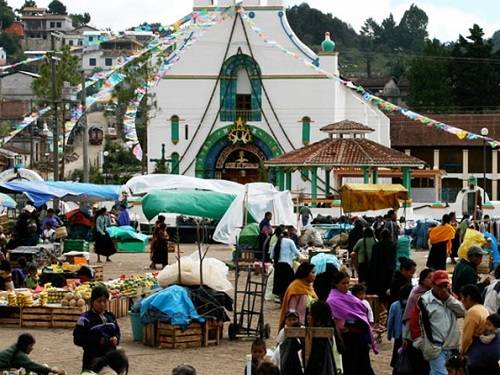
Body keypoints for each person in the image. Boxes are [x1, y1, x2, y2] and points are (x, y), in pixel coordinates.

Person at [413, 270, 465, 375]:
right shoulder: (424, 301)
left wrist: (448, 299)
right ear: (433, 285)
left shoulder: (452, 298)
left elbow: (463, 312)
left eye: (445, 285)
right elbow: (415, 323)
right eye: (440, 286)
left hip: (451, 347)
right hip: (435, 347)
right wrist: (422, 344)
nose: (443, 289)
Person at [327, 271, 376, 375]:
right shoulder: (332, 300)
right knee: (350, 366)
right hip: (346, 339)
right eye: (343, 283)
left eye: (347, 283)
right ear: (336, 284)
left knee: (364, 366)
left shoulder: (350, 296)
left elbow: (361, 311)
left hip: (359, 337)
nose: (346, 286)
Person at [73, 285, 121, 371]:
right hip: (92, 361)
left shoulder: (111, 317)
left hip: (110, 360)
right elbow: (77, 339)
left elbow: (117, 332)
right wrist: (98, 340)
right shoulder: (85, 319)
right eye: (99, 301)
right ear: (92, 302)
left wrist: (116, 338)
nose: (102, 304)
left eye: (104, 301)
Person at [402, 268, 434, 375]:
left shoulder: (431, 293)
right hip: (415, 336)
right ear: (423, 280)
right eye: (429, 278)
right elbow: (409, 316)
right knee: (419, 366)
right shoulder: (417, 294)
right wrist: (406, 337)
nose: (432, 280)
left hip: (427, 337)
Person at [304, 300, 341, 375]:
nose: (308, 317)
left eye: (311, 314)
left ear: (319, 319)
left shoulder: (322, 338)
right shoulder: (329, 332)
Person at [0, 333, 65, 374]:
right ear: (24, 346)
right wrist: (51, 370)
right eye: (31, 346)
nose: (32, 348)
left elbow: (27, 364)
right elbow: (32, 366)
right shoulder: (19, 354)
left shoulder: (15, 348)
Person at [279, 263, 317, 329]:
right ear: (306, 273)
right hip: (298, 326)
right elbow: (292, 310)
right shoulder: (296, 287)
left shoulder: (309, 287)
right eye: (312, 272)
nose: (315, 275)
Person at [460, 285, 490, 363]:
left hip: (475, 352)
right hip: (485, 350)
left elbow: (467, 338)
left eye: (462, 297)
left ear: (469, 298)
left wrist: (462, 353)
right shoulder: (483, 309)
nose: (461, 301)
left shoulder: (472, 312)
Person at [366, 228, 397, 304]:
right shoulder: (393, 245)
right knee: (388, 286)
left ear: (381, 236)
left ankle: (380, 303)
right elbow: (393, 258)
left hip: (378, 269)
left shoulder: (376, 246)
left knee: (379, 287)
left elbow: (373, 259)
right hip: (389, 269)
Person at [387, 283, 413, 371]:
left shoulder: (395, 305)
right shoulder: (414, 305)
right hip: (411, 336)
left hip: (399, 336)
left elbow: (390, 321)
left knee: (397, 358)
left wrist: (389, 335)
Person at [271, 231, 300, 301]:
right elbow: (297, 253)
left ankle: (282, 302)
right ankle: (287, 302)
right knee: (289, 284)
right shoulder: (290, 241)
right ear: (288, 235)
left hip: (278, 266)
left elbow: (272, 256)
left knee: (280, 285)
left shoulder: (276, 243)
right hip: (287, 266)